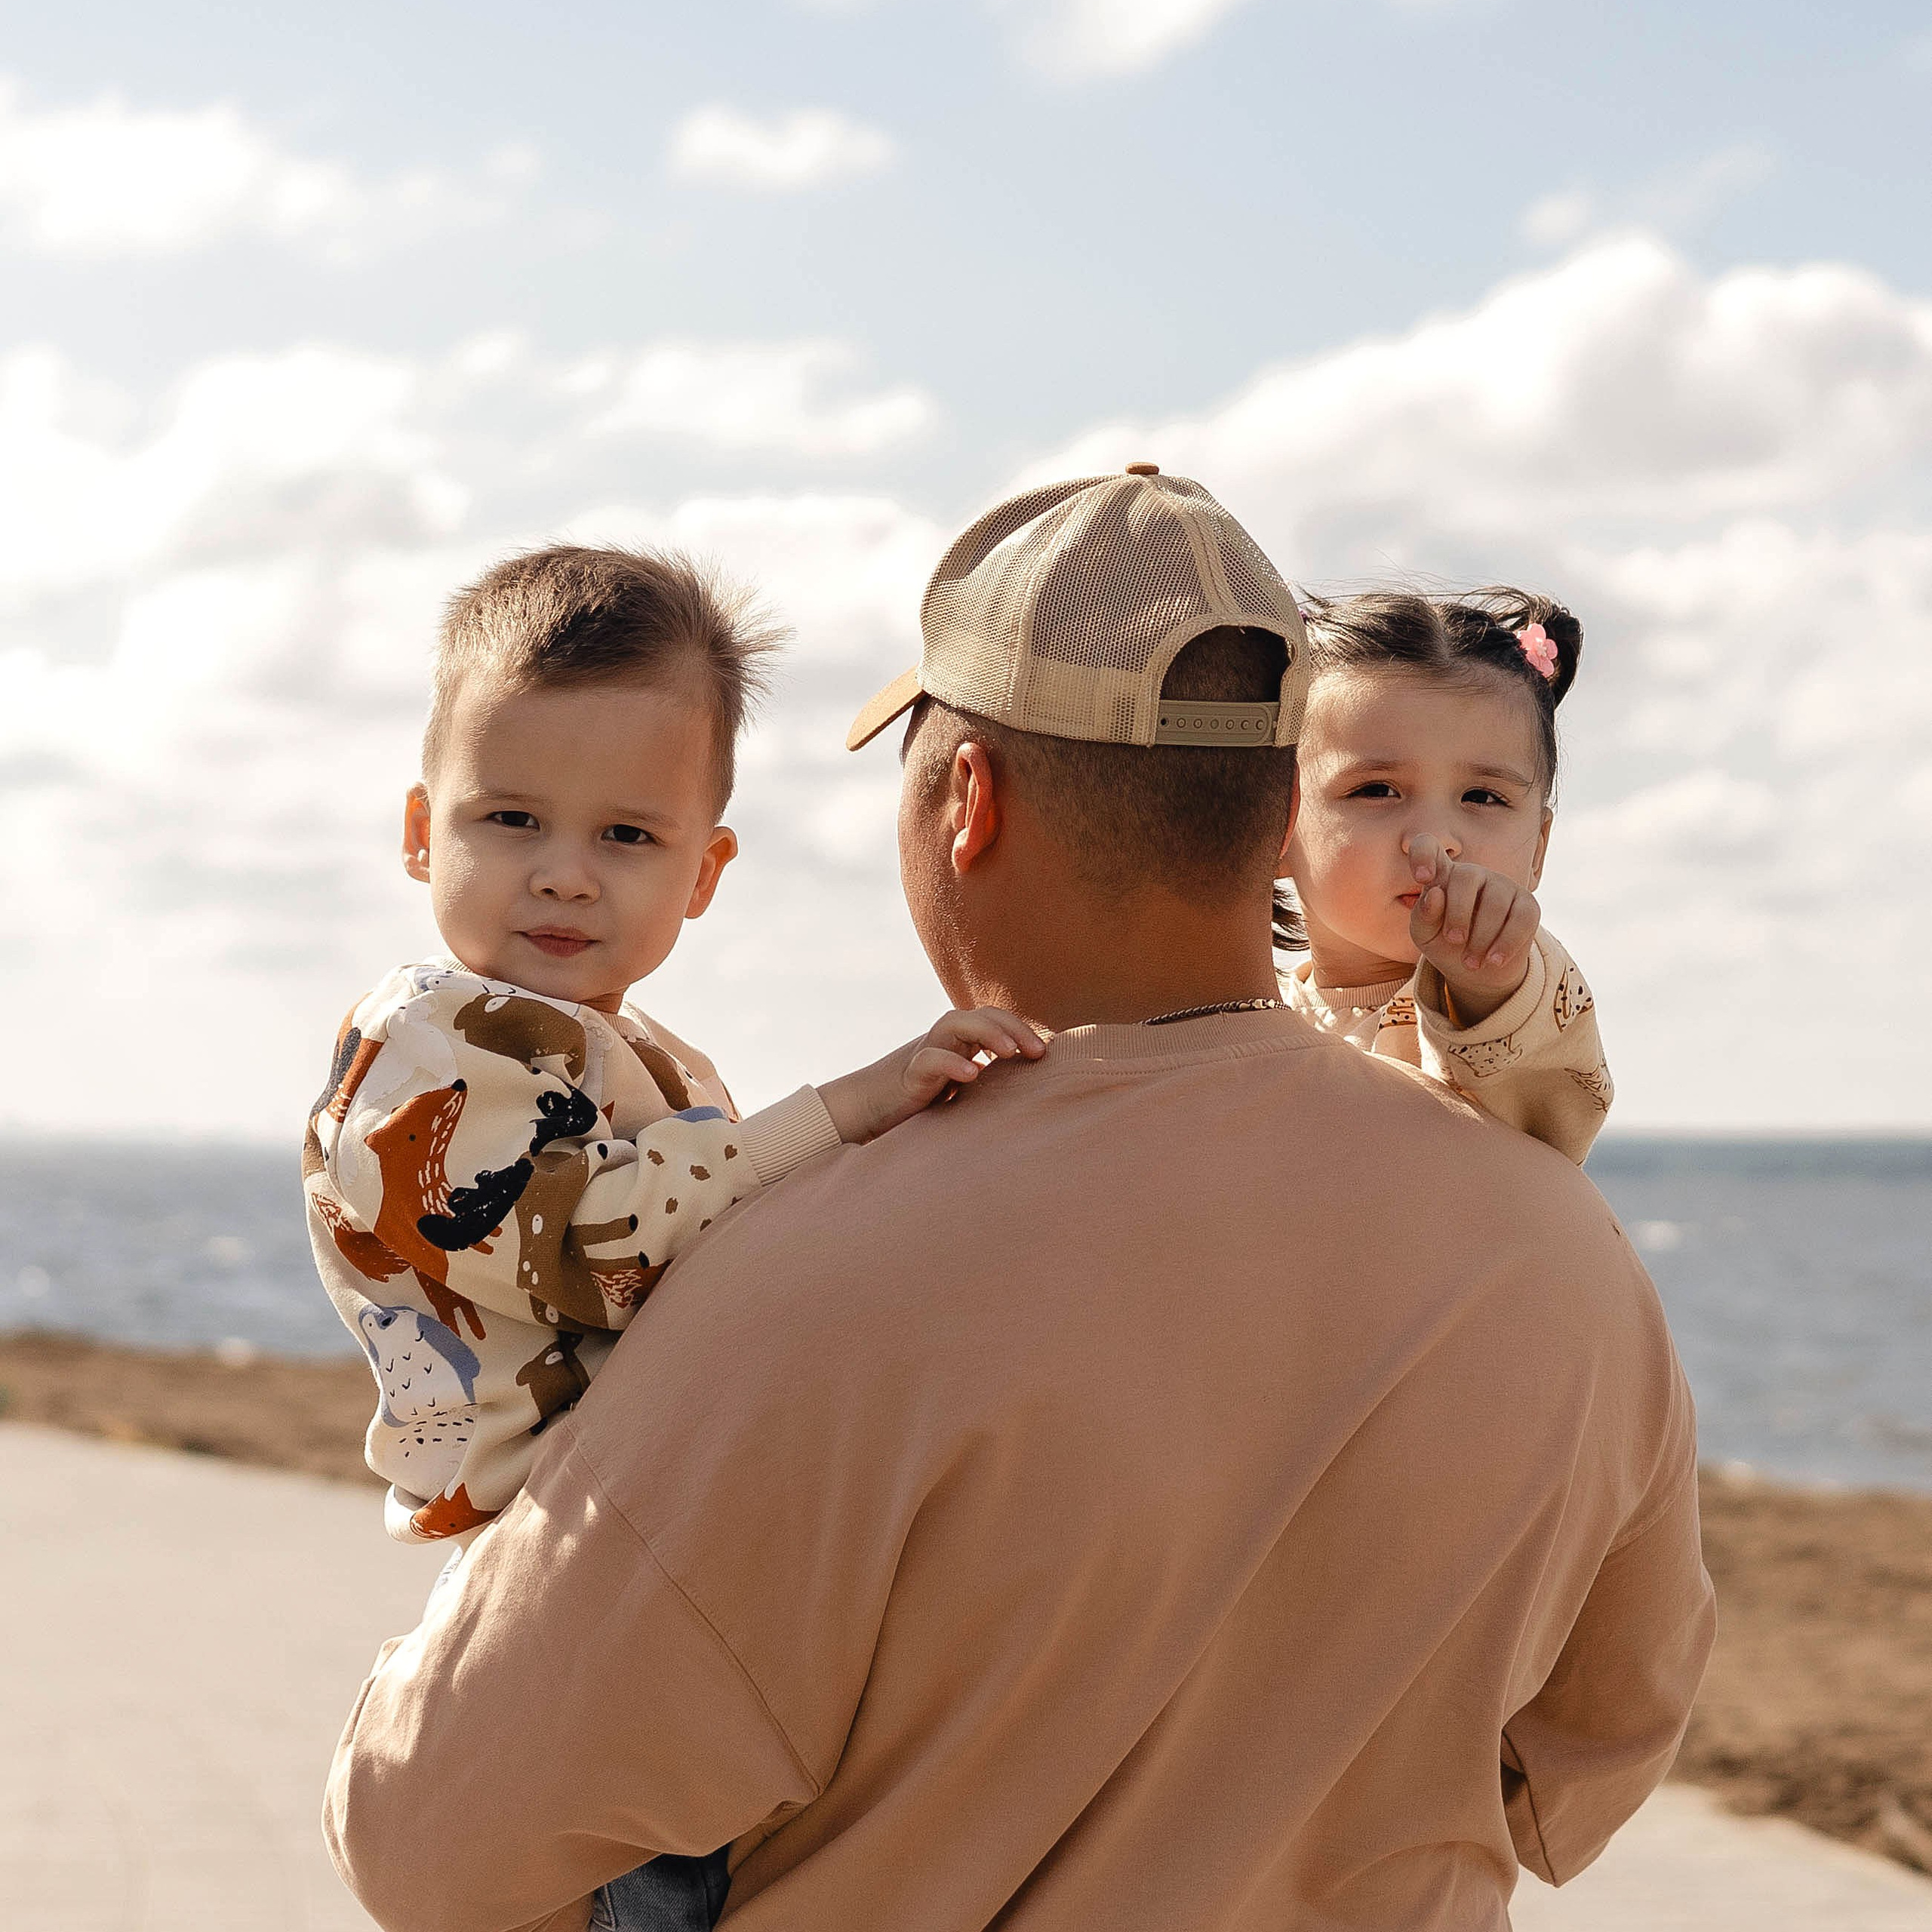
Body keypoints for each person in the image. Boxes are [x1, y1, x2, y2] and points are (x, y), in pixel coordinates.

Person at [325, 468, 1715, 1932]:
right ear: (1269, 815)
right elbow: (1591, 1758)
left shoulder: (807, 1269)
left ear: (966, 798)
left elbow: (439, 1842)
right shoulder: (1564, 1249)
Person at [304, 543, 1041, 1928]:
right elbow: (603, 1243)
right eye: (511, 820)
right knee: (642, 1874)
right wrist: (854, 1109)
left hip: (645, 1535)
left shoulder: (626, 1049)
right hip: (561, 1556)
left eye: (625, 837)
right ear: (422, 831)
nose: (565, 878)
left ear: (703, 873)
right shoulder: (426, 1055)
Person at [1276, 589, 1611, 1162]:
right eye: (1377, 790)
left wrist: (1487, 984)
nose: (1434, 839)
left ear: (1538, 848)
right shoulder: (1244, 1012)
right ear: (1273, 825)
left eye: (1482, 796)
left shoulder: (1525, 992)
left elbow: (1551, 1100)